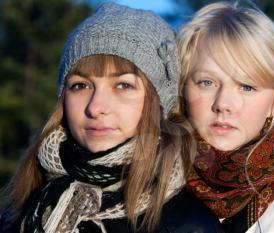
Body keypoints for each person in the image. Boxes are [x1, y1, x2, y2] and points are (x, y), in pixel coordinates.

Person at [0, 3, 224, 233]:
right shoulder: (23, 211)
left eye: (123, 85)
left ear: (158, 105)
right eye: (81, 85)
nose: (96, 107)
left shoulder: (189, 226)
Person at [176, 1, 274, 232]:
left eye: (247, 86)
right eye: (207, 82)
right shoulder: (148, 189)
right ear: (183, 89)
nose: (223, 104)